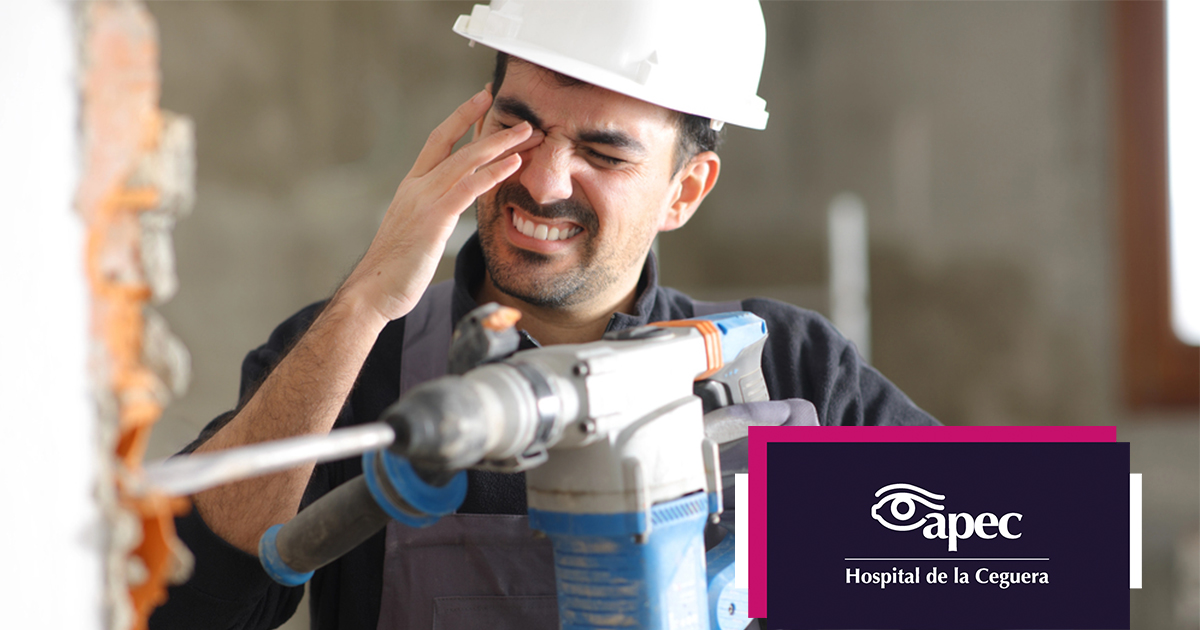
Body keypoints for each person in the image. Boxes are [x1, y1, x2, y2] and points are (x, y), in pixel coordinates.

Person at [150, 2, 937, 629]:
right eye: (517, 125)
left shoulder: (779, 371)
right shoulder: (362, 361)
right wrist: (365, 302)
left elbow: (1032, 557)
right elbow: (174, 609)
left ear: (685, 190)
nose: (545, 179)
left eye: (604, 153)